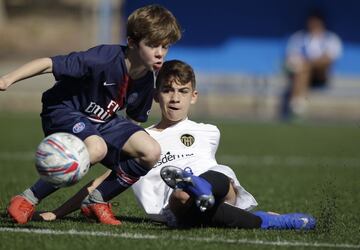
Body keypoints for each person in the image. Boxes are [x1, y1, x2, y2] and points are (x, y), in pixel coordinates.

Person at [40, 60, 316, 230]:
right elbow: (98, 184)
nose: (175, 98)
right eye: (168, 90)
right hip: (177, 209)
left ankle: (197, 184)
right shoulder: (140, 143)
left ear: (193, 96)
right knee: (184, 199)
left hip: (220, 189)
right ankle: (267, 219)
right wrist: (58, 212)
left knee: (218, 179)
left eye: (183, 91)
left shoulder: (208, 131)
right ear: (156, 95)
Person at [0, 4, 182, 225]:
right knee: (97, 147)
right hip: (64, 111)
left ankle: (97, 200)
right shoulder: (102, 59)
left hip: (102, 121)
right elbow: (49, 64)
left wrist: (125, 155)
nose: (160, 53)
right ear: (132, 42)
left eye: (165, 46)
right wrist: (7, 79)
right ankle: (27, 198)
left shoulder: (145, 80)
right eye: (153, 45)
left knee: (151, 151)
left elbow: (133, 121)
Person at [280, 10, 343, 120]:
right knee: (303, 69)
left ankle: (296, 104)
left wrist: (310, 62)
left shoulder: (331, 38)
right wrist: (302, 63)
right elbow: (291, 56)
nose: (313, 24)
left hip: (322, 74)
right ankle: (297, 105)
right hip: (301, 72)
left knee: (306, 66)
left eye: (316, 21)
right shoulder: (299, 37)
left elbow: (329, 58)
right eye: (311, 21)